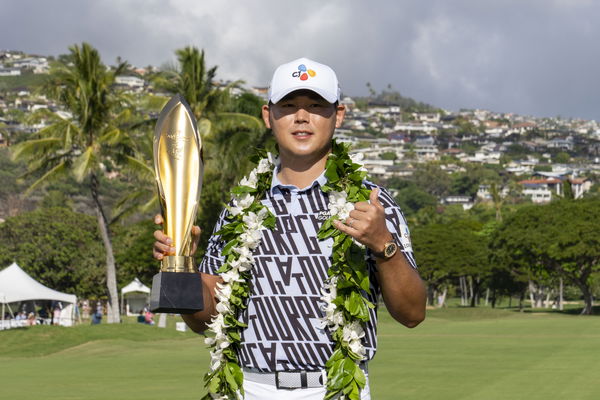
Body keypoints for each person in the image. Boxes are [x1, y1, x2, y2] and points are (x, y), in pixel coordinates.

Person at [153, 57, 426, 399]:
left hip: (336, 390)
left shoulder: (371, 203)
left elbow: (413, 313)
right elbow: (205, 319)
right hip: (249, 389)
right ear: (269, 116)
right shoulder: (240, 207)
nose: (301, 116)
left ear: (337, 115)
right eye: (289, 105)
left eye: (315, 105)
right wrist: (183, 266)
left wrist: (383, 244)